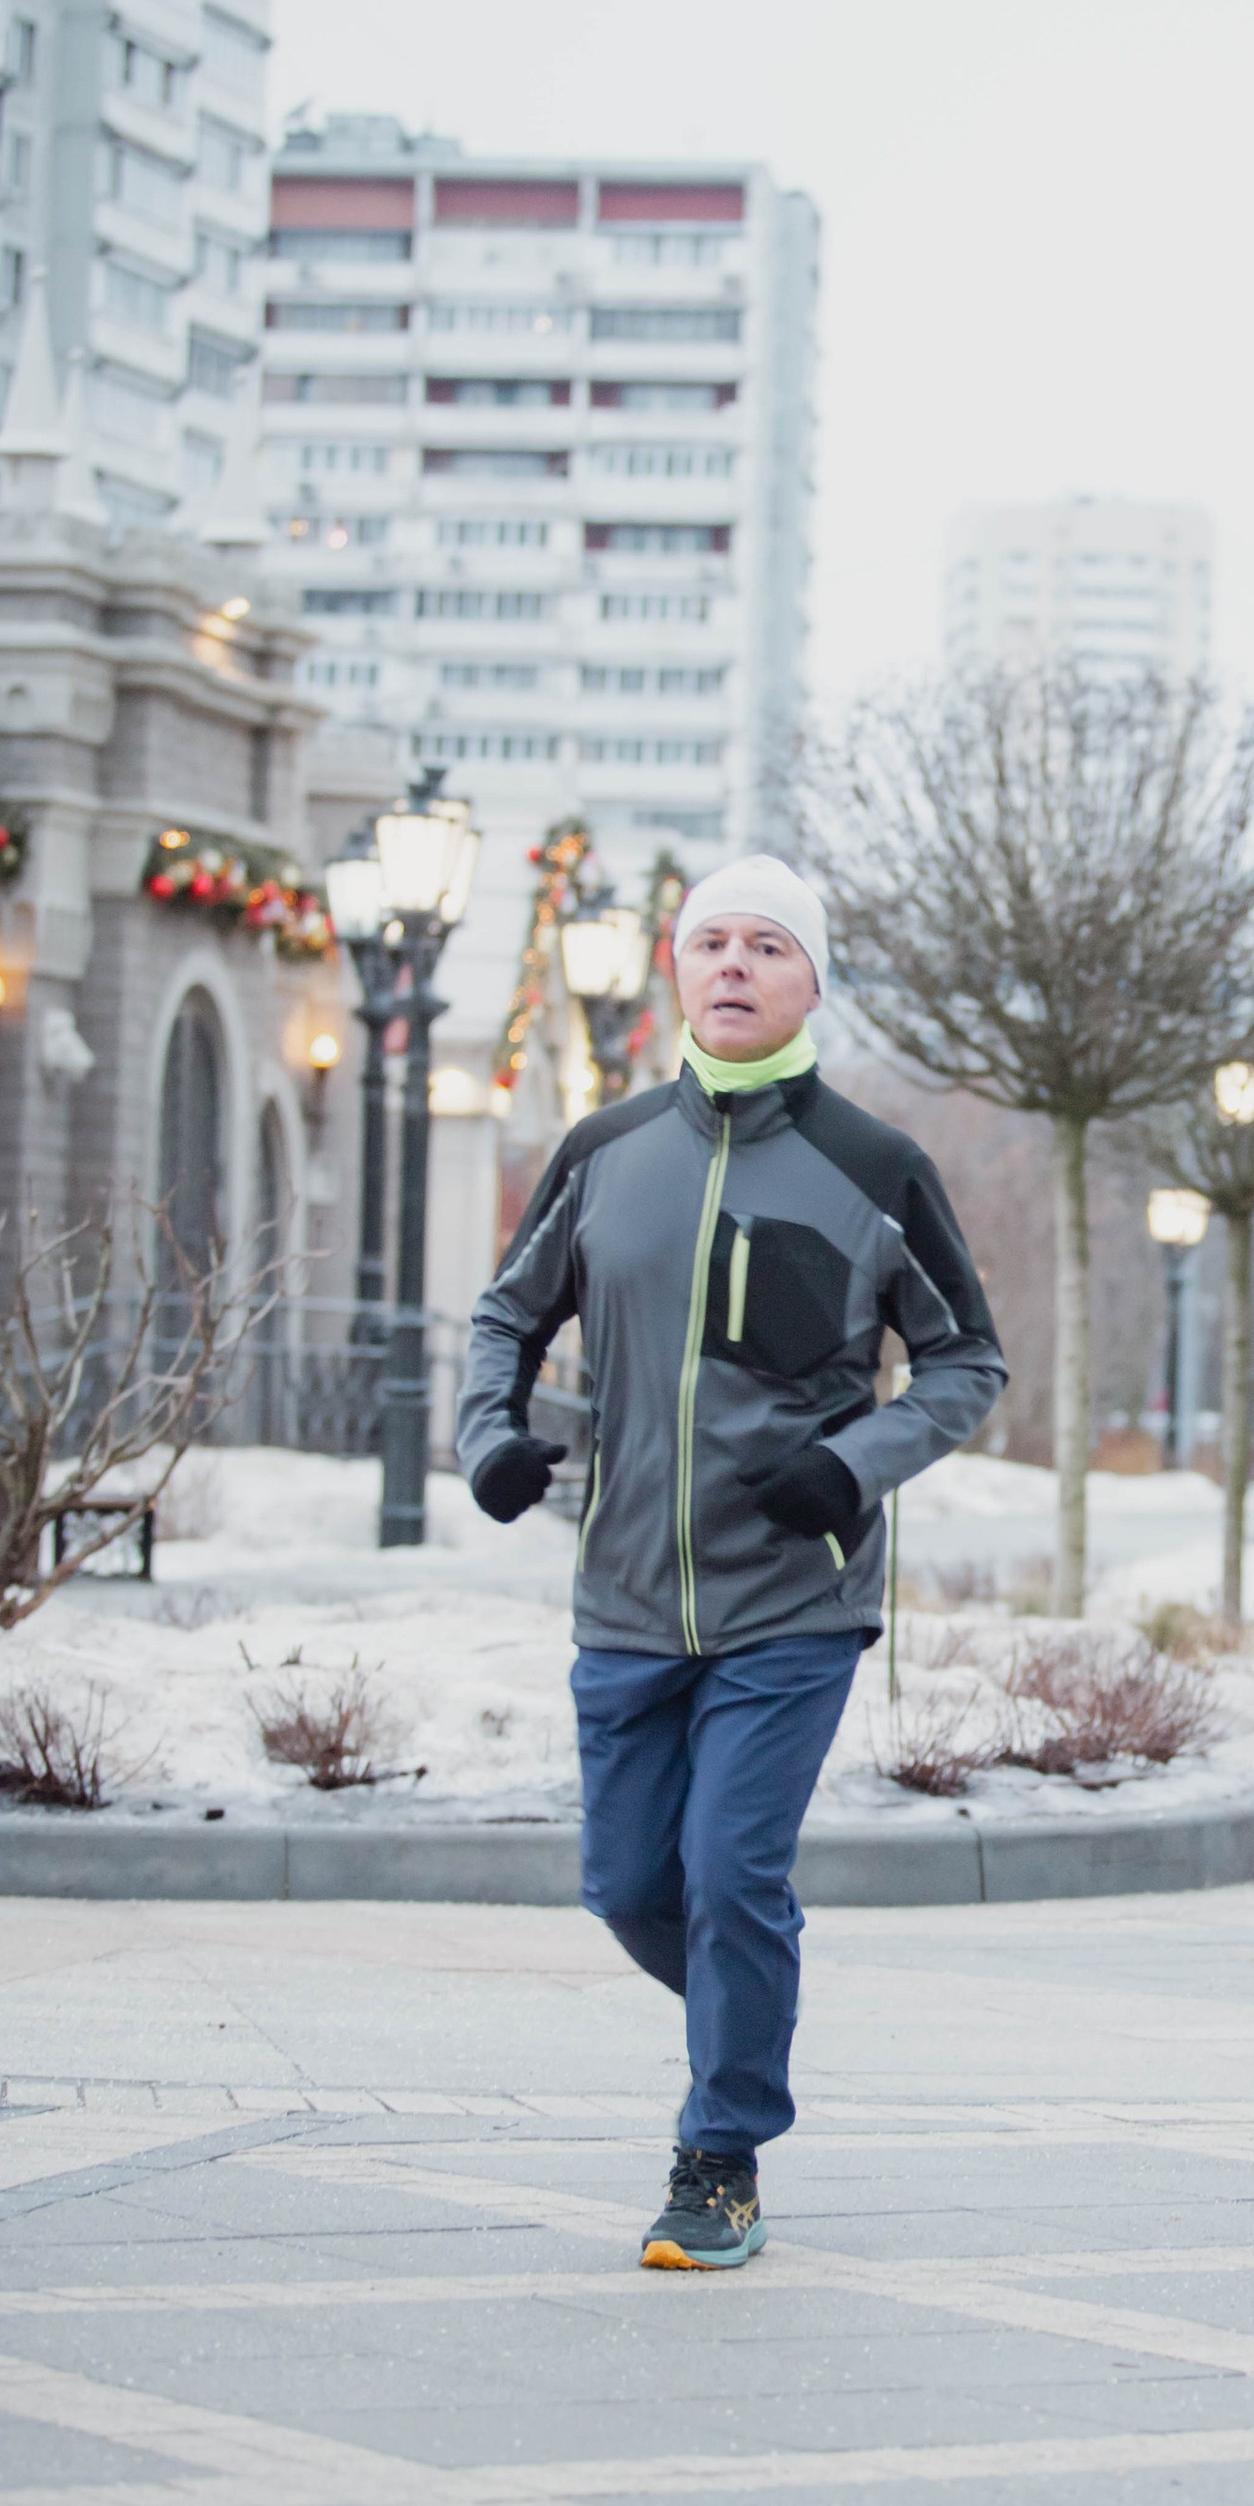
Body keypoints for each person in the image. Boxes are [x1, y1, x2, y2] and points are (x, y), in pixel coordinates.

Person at [455, 854, 1006, 2268]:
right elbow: (504, 1321)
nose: (738, 964)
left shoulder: (877, 1169)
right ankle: (739, 2013)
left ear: (814, 981)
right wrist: (490, 1443)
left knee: (730, 1870)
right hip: (626, 1591)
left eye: (770, 945)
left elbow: (966, 1360)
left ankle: (722, 2153)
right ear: (676, 971)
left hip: (793, 1602)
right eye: (713, 942)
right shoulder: (603, 1151)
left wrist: (851, 1465)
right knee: (632, 1885)